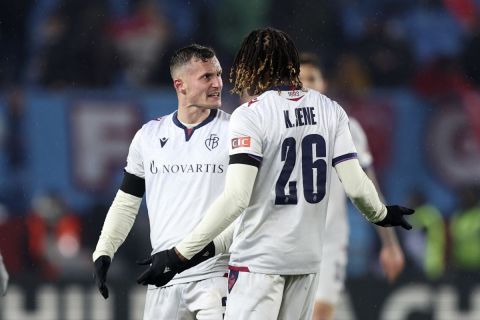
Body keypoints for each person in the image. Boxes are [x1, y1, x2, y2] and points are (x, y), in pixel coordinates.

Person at [137, 27, 414, 320]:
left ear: (254, 66)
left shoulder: (251, 115)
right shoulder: (331, 110)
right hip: (306, 263)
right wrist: (382, 214)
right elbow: (357, 187)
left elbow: (236, 199)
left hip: (258, 263)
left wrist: (179, 254)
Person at [92, 44, 235, 320]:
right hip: (164, 279)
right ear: (179, 84)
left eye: (218, 74)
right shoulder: (148, 136)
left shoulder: (236, 131)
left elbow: (245, 207)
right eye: (207, 77)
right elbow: (126, 202)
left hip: (216, 277)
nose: (218, 83)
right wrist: (104, 250)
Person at [299, 52, 405, 320]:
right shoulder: (273, 124)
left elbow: (368, 186)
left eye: (312, 78)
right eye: (299, 80)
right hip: (284, 240)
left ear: (324, 83)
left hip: (328, 241)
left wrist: (390, 243)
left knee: (320, 314)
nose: (306, 85)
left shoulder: (345, 125)